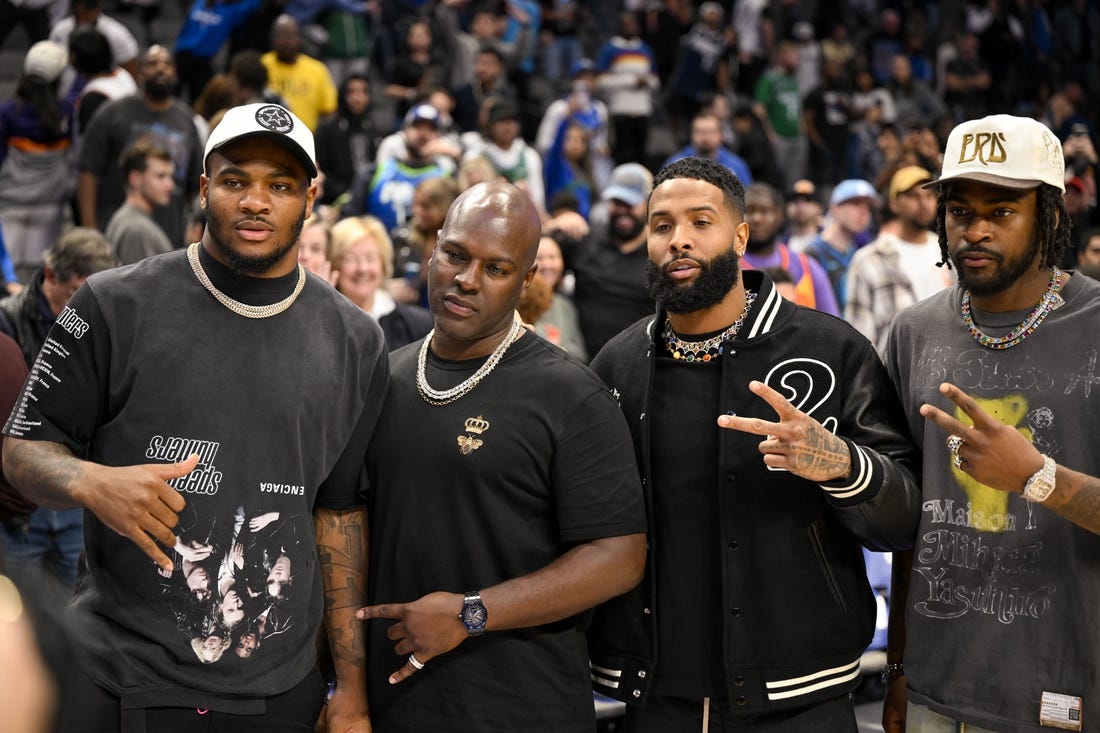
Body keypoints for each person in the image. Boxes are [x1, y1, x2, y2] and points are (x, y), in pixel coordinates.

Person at [2, 102, 388, 732]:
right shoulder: (113, 303)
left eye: (281, 186)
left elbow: (339, 514)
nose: (256, 202)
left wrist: (349, 686)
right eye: (236, 181)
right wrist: (93, 483)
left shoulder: (356, 340)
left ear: (311, 199)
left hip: (278, 690)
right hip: (121, 680)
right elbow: (20, 449)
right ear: (206, 188)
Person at [586, 156, 920, 731]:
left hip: (800, 690)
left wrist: (843, 465)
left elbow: (904, 517)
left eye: (700, 222)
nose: (679, 241)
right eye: (662, 226)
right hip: (655, 692)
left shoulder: (832, 349)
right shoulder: (617, 364)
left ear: (740, 236)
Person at [356, 179, 646, 732]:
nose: (466, 280)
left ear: (528, 279)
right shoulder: (385, 376)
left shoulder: (570, 394)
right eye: (456, 255)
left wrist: (472, 613)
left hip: (520, 705)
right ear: (433, 247)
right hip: (396, 702)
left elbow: (620, 556)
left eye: (496, 268)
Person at [882, 114, 1100, 733]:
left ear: (1051, 217)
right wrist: (898, 668)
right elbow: (908, 523)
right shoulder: (914, 331)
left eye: (1001, 212)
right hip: (934, 684)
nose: (973, 231)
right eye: (959, 210)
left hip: (1062, 692)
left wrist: (1039, 478)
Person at [0, 228, 116, 606]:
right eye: (75, 292)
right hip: (20, 506)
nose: (82, 304)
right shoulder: (8, 324)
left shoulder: (100, 325)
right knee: (19, 613)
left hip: (73, 495)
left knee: (73, 614)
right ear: (51, 275)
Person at [77, 45, 203, 249]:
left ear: (176, 73)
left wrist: (195, 223)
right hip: (119, 229)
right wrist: (90, 232)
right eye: (153, 64)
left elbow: (195, 184)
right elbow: (88, 172)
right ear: (141, 72)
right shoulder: (113, 113)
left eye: (167, 64)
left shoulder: (185, 119)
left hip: (171, 234)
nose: (161, 69)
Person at [845, 166, 953, 354]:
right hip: (893, 374)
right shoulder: (869, 259)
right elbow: (859, 336)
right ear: (894, 203)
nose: (923, 202)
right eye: (913, 196)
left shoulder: (948, 251)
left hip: (946, 364)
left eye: (929, 195)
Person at [559, 161, 656, 357]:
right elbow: (542, 263)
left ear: (649, 204)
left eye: (629, 204)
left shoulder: (659, 254)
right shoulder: (586, 241)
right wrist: (555, 224)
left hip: (636, 365)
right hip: (581, 364)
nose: (621, 210)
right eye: (616, 202)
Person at [0, 40, 74, 285]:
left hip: (11, 205)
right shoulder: (66, 112)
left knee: (8, 279)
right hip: (49, 206)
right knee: (36, 278)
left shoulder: (10, 112)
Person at [329, 215, 433, 351]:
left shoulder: (419, 324)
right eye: (351, 259)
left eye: (370, 258)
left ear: (383, 265)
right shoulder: (321, 324)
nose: (362, 268)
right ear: (335, 264)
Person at [740, 182, 839, 316]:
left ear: (779, 215)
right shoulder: (726, 268)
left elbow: (832, 322)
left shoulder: (806, 266)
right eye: (749, 211)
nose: (757, 219)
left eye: (765, 211)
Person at [804, 179, 880, 309]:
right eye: (856, 204)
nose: (863, 213)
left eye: (868, 208)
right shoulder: (813, 253)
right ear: (835, 208)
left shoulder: (858, 251)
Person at [104, 141, 177, 265]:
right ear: (135, 179)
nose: (170, 185)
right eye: (161, 176)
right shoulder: (136, 229)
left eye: (170, 176)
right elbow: (138, 284)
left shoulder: (130, 221)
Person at [261, 15, 338, 131]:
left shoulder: (317, 69)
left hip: (307, 140)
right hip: (269, 139)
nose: (286, 40)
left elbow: (329, 111)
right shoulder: (261, 66)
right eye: (281, 35)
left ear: (299, 38)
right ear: (272, 39)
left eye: (291, 35)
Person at [664, 111, 754, 185]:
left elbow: (747, 197)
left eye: (711, 132)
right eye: (700, 131)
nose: (705, 137)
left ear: (720, 135)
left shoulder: (737, 166)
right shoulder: (675, 164)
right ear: (691, 135)